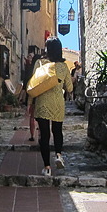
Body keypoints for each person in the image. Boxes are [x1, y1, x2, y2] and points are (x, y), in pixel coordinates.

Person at [33, 37, 73, 176]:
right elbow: (69, 87)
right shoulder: (64, 66)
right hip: (57, 102)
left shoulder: (40, 63)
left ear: (47, 49)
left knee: (44, 135)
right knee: (57, 131)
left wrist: (29, 102)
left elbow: (34, 82)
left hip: (42, 101)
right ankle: (58, 155)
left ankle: (47, 167)